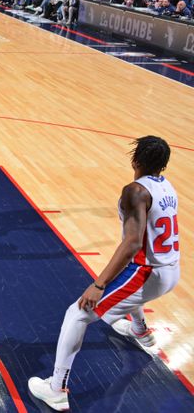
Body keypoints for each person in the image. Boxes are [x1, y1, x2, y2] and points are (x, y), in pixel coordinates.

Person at [28, 136, 180, 411]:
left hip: (147, 272)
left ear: (135, 160)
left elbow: (132, 242)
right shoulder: (167, 187)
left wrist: (99, 284)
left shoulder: (135, 190)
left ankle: (56, 389)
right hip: (169, 269)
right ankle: (141, 332)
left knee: (76, 314)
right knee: (129, 290)